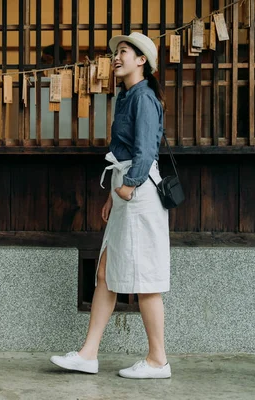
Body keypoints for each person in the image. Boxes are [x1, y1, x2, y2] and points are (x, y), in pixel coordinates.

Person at [50, 32, 171, 379]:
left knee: (145, 278)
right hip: (126, 190)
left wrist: (129, 186)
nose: (116, 57)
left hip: (140, 192)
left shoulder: (144, 97)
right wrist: (112, 193)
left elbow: (146, 151)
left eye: (124, 52)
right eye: (116, 52)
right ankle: (88, 354)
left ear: (141, 60)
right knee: (105, 273)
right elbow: (124, 151)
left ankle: (158, 359)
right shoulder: (126, 95)